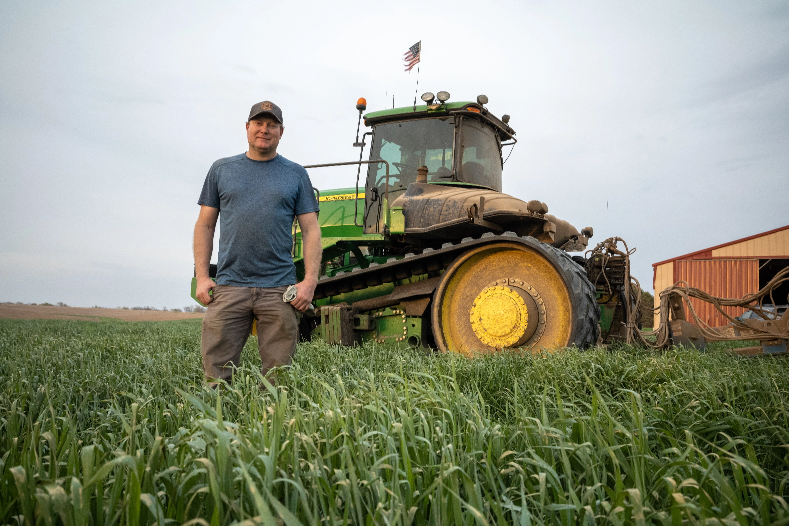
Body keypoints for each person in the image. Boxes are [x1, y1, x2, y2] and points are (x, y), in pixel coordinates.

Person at [193, 100, 322, 386]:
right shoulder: (221, 170)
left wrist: (309, 282)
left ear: (281, 132)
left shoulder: (295, 174)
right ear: (247, 127)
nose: (265, 130)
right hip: (229, 287)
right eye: (259, 123)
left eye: (272, 125)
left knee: (277, 380)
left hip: (278, 289)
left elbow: (311, 230)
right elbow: (205, 224)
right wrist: (202, 277)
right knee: (216, 377)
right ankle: (217, 427)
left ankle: (271, 428)